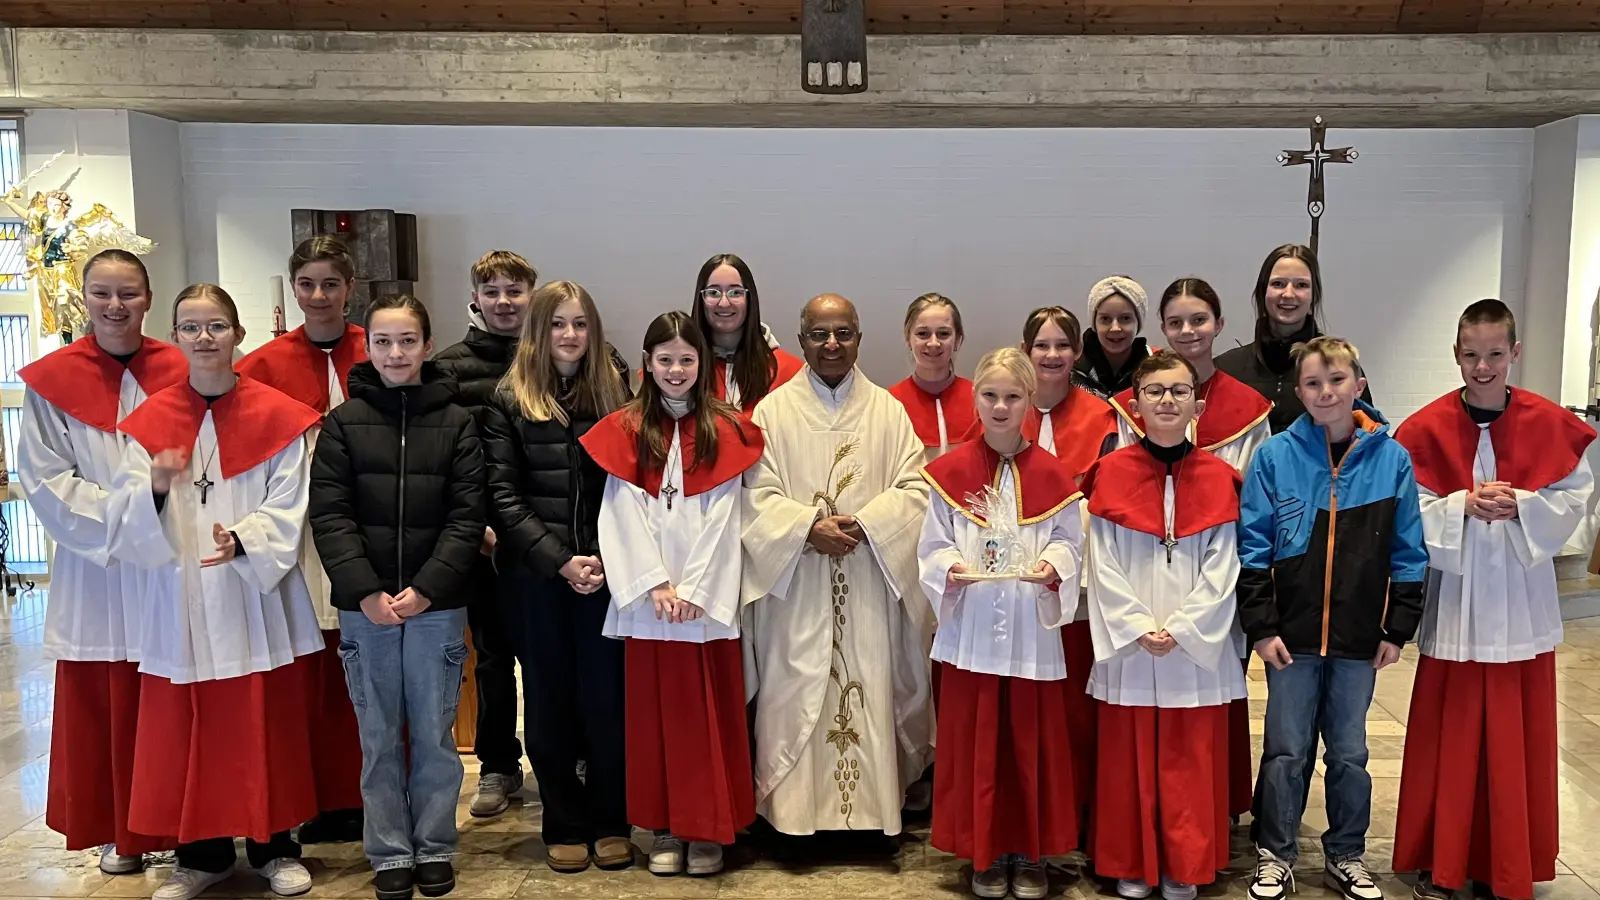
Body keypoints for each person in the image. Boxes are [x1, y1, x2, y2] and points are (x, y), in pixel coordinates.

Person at [108, 284, 325, 900]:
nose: (204, 339)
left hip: (253, 595)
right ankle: (197, 857)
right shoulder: (148, 423)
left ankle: (275, 848)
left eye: (217, 327)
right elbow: (126, 511)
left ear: (238, 334)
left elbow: (291, 500)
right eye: (191, 328)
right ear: (174, 337)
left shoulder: (277, 416)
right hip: (179, 595)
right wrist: (152, 487)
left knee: (264, 719)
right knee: (187, 727)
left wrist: (250, 538)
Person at [1390, 300, 1594, 900]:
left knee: (1515, 740)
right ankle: (1440, 858)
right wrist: (1459, 506)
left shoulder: (1548, 422)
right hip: (1455, 603)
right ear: (1456, 354)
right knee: (1447, 735)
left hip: (1519, 602)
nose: (1483, 367)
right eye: (1471, 355)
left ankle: (1508, 860)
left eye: (1495, 355)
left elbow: (1576, 498)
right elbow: (1408, 513)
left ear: (1515, 354)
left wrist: (1524, 506)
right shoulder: (1423, 430)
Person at [1237, 336, 1427, 900]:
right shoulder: (1274, 457)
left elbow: (1408, 548)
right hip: (1290, 638)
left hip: (1358, 637)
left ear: (1359, 385)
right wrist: (1262, 625)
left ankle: (1346, 853)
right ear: (1299, 392)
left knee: (1349, 751)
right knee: (1286, 749)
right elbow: (1254, 545)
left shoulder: (1392, 459)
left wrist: (1398, 627)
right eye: (1314, 383)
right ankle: (1275, 853)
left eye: (1337, 380)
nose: (1326, 392)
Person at [308, 294, 485, 900]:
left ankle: (434, 845)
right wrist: (366, 591)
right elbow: (330, 517)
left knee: (434, 734)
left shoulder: (458, 422)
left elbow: (468, 517)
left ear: (427, 346)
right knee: (378, 734)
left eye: (407, 340)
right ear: (369, 347)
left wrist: (428, 588)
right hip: (367, 610)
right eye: (383, 341)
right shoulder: (343, 423)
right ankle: (388, 851)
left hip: (437, 605)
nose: (395, 352)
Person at [741, 293, 933, 836]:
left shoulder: (887, 412)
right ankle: (795, 817)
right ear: (800, 340)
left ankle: (871, 819)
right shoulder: (772, 413)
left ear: (859, 338)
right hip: (797, 583)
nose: (831, 344)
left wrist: (868, 524)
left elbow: (916, 488)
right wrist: (807, 528)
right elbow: (754, 494)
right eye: (819, 334)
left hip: (869, 577)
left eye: (843, 333)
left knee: (869, 687)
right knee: (795, 689)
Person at [19, 250, 186, 875]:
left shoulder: (181, 368)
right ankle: (121, 829)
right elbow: (44, 479)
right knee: (107, 695)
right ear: (82, 298)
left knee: (169, 689)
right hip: (98, 566)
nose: (115, 306)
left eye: (129, 294)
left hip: (172, 557)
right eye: (102, 293)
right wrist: (130, 514)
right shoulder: (51, 383)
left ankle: (177, 821)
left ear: (148, 298)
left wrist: (157, 514)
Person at [581, 311, 764, 877]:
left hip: (703, 607)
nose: (677, 370)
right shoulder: (627, 431)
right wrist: (655, 585)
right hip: (650, 605)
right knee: (654, 719)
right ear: (648, 364)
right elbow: (620, 514)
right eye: (666, 360)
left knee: (707, 715)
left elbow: (727, 516)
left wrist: (697, 591)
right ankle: (663, 827)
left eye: (687, 359)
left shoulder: (726, 431)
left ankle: (706, 829)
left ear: (701, 364)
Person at [918, 347, 1083, 900]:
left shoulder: (1056, 477)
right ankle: (984, 853)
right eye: (990, 395)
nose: (1001, 406)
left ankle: (1029, 850)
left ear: (1030, 401)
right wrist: (950, 570)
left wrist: (1053, 568)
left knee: (1027, 745)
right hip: (972, 632)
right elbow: (932, 546)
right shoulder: (948, 474)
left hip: (1031, 631)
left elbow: (1069, 543)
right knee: (977, 744)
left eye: (1013, 396)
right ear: (975, 398)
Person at [1083, 350, 1246, 900]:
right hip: (1133, 644)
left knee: (1188, 758)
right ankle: (1133, 859)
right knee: (1130, 755)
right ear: (1135, 404)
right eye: (1155, 391)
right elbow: (1099, 561)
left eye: (1179, 391)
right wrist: (1134, 626)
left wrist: (1183, 627)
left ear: (1197, 404)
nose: (1168, 401)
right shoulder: (1109, 473)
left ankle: (1185, 863)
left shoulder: (1221, 478)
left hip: (1193, 645)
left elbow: (1226, 565)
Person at [482, 281, 633, 873]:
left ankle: (611, 819)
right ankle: (563, 821)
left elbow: (630, 488)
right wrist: (559, 560)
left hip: (607, 572)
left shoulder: (617, 397)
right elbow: (501, 494)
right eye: (558, 324)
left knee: (606, 702)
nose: (570, 335)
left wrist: (600, 558)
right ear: (537, 331)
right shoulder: (507, 401)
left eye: (580, 324)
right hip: (535, 578)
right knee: (547, 701)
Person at [1108, 277, 1271, 820]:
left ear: (1219, 325)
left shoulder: (1249, 411)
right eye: (1175, 322)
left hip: (1211, 588)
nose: (1187, 331)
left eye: (1198, 320)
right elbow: (1119, 515)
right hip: (1143, 584)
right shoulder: (1129, 423)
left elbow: (1242, 513)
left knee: (1203, 718)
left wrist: (1192, 619)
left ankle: (1210, 817)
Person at [235, 235, 367, 844]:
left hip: (366, 525)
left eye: (331, 284)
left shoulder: (377, 347)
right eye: (307, 284)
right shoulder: (260, 365)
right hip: (293, 527)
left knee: (360, 663)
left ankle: (361, 792)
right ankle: (311, 794)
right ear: (294, 288)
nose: (319, 296)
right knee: (308, 658)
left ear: (350, 289)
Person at [430, 250, 535, 818]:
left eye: (513, 291)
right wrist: (480, 529)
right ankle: (498, 766)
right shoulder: (447, 368)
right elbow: (446, 461)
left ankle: (567, 758)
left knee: (550, 658)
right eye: (491, 291)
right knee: (493, 658)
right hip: (486, 542)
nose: (503, 302)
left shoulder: (558, 356)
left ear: (530, 296)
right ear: (475, 298)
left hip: (546, 543)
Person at [1017, 305, 1118, 852]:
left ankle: (1075, 811)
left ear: (1078, 353)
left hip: (1076, 590)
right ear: (1026, 351)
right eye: (1041, 345)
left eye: (1062, 345)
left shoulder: (1103, 421)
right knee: (1030, 705)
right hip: (1014, 589)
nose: (1052, 355)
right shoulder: (1005, 409)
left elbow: (1108, 501)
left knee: (1074, 707)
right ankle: (1030, 811)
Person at [1216, 244, 1372, 435]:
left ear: (1314, 298)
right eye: (1278, 284)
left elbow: (1366, 442)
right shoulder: (1227, 370)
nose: (1288, 294)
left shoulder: (1342, 368)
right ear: (1262, 293)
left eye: (1301, 285)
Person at [689, 253, 804, 412]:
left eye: (735, 292)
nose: (724, 303)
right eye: (713, 292)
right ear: (700, 299)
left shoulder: (791, 373)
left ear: (750, 299)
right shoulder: (675, 372)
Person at [889, 293, 982, 463]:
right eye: (923, 334)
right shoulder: (890, 403)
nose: (933, 343)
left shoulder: (981, 398)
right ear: (908, 339)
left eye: (943, 334)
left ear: (958, 339)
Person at [1074, 276, 1150, 399]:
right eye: (1105, 319)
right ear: (1095, 323)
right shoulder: (1071, 366)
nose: (1115, 328)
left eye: (1125, 318)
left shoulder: (1156, 368)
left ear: (1138, 322)